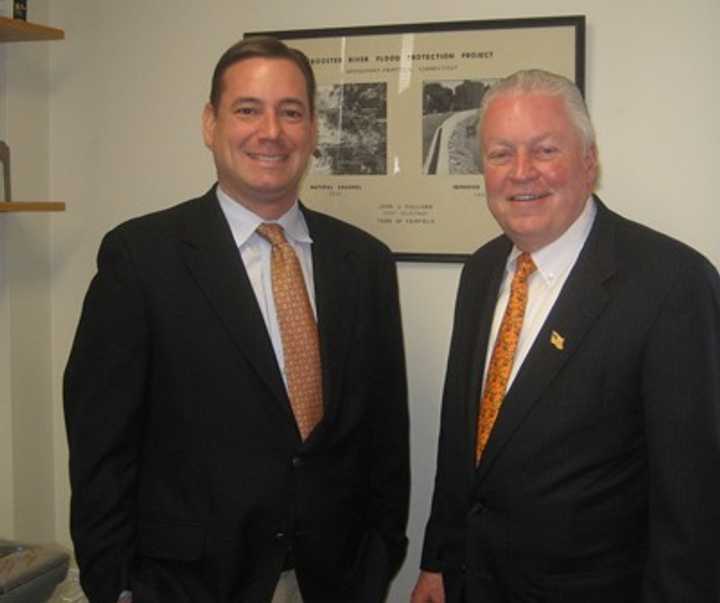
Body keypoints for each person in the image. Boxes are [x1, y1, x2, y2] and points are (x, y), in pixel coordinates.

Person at [64, 37, 409, 603]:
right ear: (210, 123)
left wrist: (377, 557)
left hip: (332, 579)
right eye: (248, 109)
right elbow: (101, 447)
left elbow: (385, 437)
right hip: (185, 584)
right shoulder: (141, 258)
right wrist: (116, 586)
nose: (270, 131)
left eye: (290, 112)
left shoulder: (364, 262)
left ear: (312, 129)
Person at [411, 69, 720, 603]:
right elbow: (463, 439)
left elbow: (693, 503)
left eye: (545, 150)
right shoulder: (483, 270)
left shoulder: (672, 284)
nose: (521, 172)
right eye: (500, 154)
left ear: (589, 160)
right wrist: (439, 559)